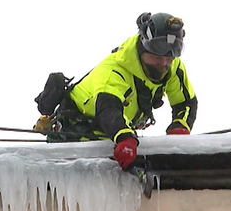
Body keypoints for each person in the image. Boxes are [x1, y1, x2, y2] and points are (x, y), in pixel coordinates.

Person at [34, 12, 198, 171]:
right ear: (142, 48)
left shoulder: (173, 67)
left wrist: (180, 125)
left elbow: (185, 102)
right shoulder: (114, 71)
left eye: (168, 59)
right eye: (156, 57)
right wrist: (125, 138)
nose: (163, 64)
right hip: (76, 134)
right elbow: (108, 109)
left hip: (112, 137)